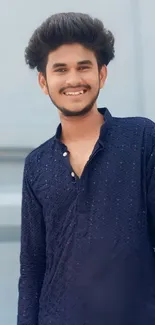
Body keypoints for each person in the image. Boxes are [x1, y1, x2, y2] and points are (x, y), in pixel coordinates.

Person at [17, 12, 155, 325]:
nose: (73, 80)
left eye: (83, 67)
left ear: (102, 75)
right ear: (44, 81)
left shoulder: (143, 139)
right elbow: (32, 266)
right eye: (60, 69)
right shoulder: (36, 165)